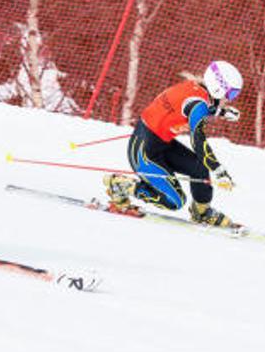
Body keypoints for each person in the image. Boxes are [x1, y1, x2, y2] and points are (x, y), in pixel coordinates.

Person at [104, 61, 242, 227]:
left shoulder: (195, 88)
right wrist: (219, 171)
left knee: (199, 166)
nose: (230, 99)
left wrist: (222, 112)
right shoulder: (198, 104)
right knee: (174, 201)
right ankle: (121, 186)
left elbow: (196, 107)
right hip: (144, 153)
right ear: (218, 88)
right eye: (231, 94)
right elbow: (198, 141)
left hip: (159, 144)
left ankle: (202, 212)